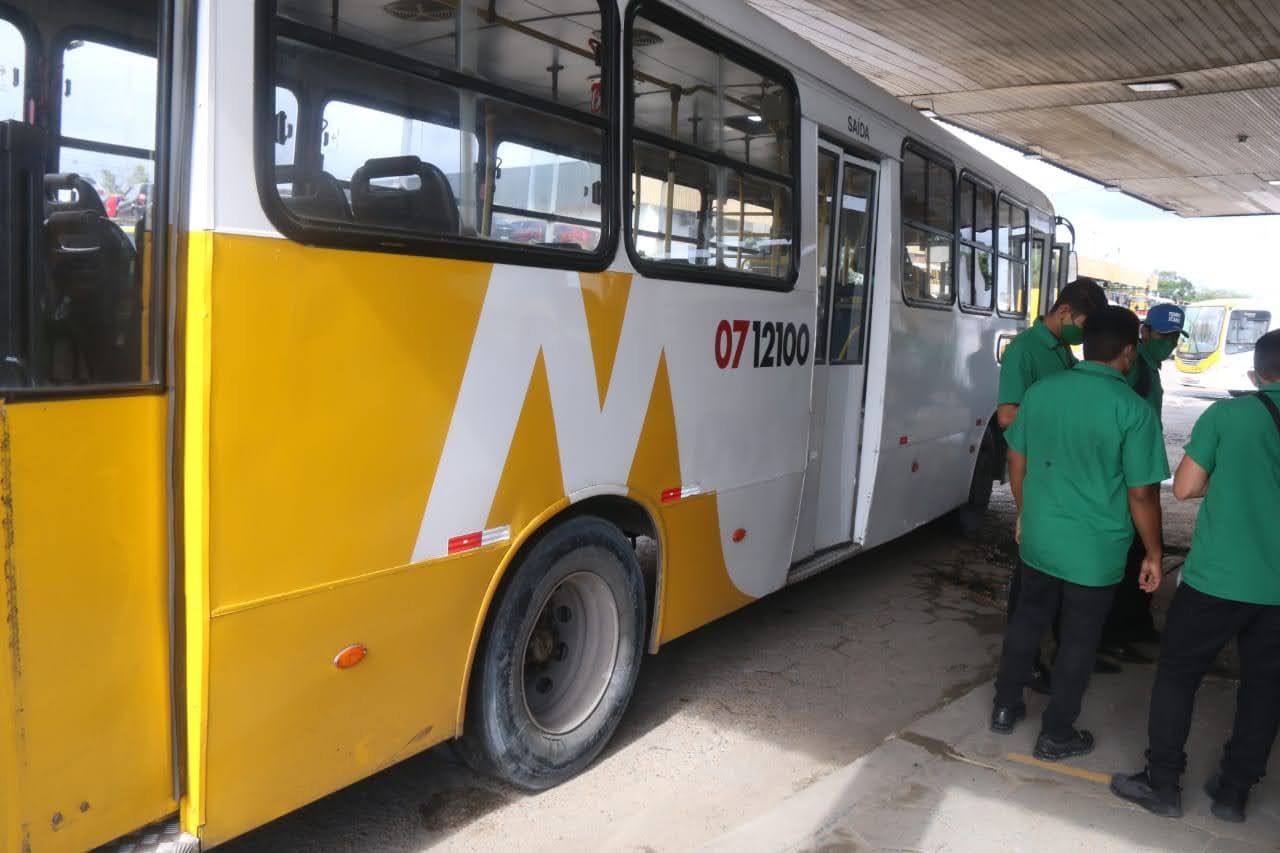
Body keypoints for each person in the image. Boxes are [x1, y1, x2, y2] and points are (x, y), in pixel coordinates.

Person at [1111, 329, 1280, 823]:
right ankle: (1233, 793)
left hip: (1217, 581)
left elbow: (1183, 489)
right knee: (1266, 688)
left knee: (1178, 677)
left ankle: (1162, 783)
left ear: (1256, 373)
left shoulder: (1230, 415)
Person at [990, 306, 1167, 762]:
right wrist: (1153, 552)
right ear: (1129, 352)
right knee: (1078, 640)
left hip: (1041, 538)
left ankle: (1005, 709)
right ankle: (1056, 734)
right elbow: (1143, 493)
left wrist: (1025, 512)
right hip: (1095, 550)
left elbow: (1017, 459)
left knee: (1026, 623)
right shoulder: (1133, 409)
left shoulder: (1044, 392)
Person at [997, 277, 1109, 692]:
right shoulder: (1025, 351)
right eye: (1084, 323)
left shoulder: (1065, 351)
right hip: (1035, 477)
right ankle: (1020, 668)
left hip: (1062, 480)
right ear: (1065, 313)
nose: (1085, 334)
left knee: (1053, 584)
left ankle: (1065, 657)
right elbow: (1007, 416)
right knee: (1029, 589)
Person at [1101, 303, 1188, 659]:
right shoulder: (1134, 367)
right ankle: (1114, 633)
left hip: (1143, 476)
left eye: (1173, 337)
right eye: (1162, 335)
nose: (1167, 343)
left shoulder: (1149, 368)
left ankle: (1135, 624)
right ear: (1145, 333)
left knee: (1141, 553)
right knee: (1131, 558)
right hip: (1128, 480)